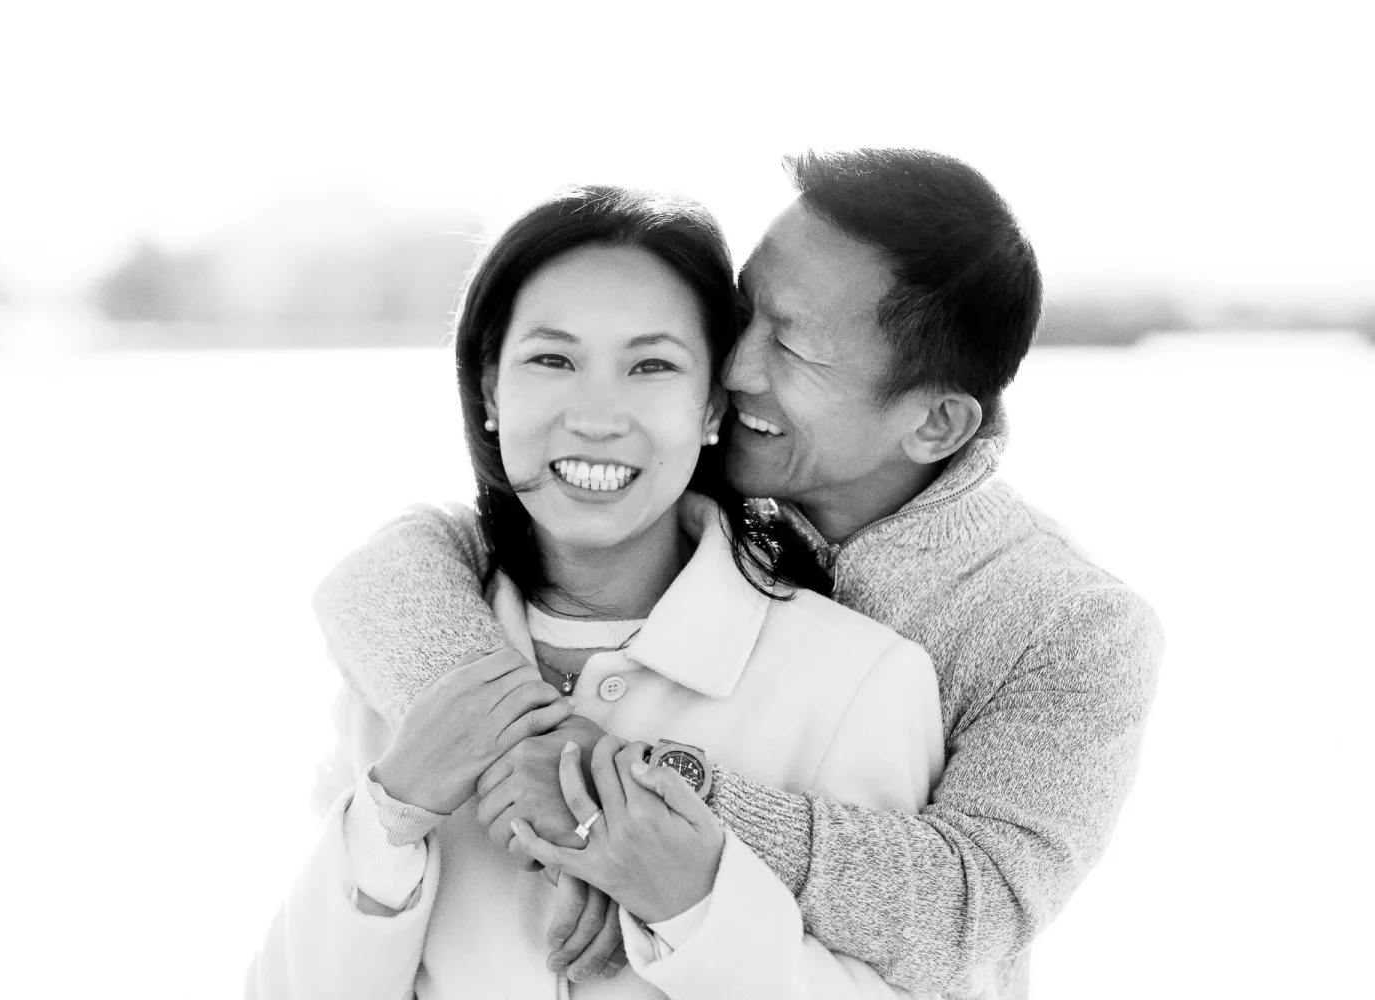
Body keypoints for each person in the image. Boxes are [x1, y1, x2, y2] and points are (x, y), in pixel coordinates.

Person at [312, 149, 1163, 999]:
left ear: (936, 423)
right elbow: (386, 574)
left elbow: (967, 914)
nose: (735, 363)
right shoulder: (700, 459)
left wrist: (632, 800)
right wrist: (520, 758)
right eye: (744, 310)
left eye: (791, 346)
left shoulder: (1067, 625)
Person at [248, 185, 947, 998]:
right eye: (552, 360)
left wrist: (690, 903)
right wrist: (393, 812)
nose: (596, 415)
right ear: (488, 391)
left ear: (713, 405)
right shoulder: (407, 669)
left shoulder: (859, 682)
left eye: (651, 366)